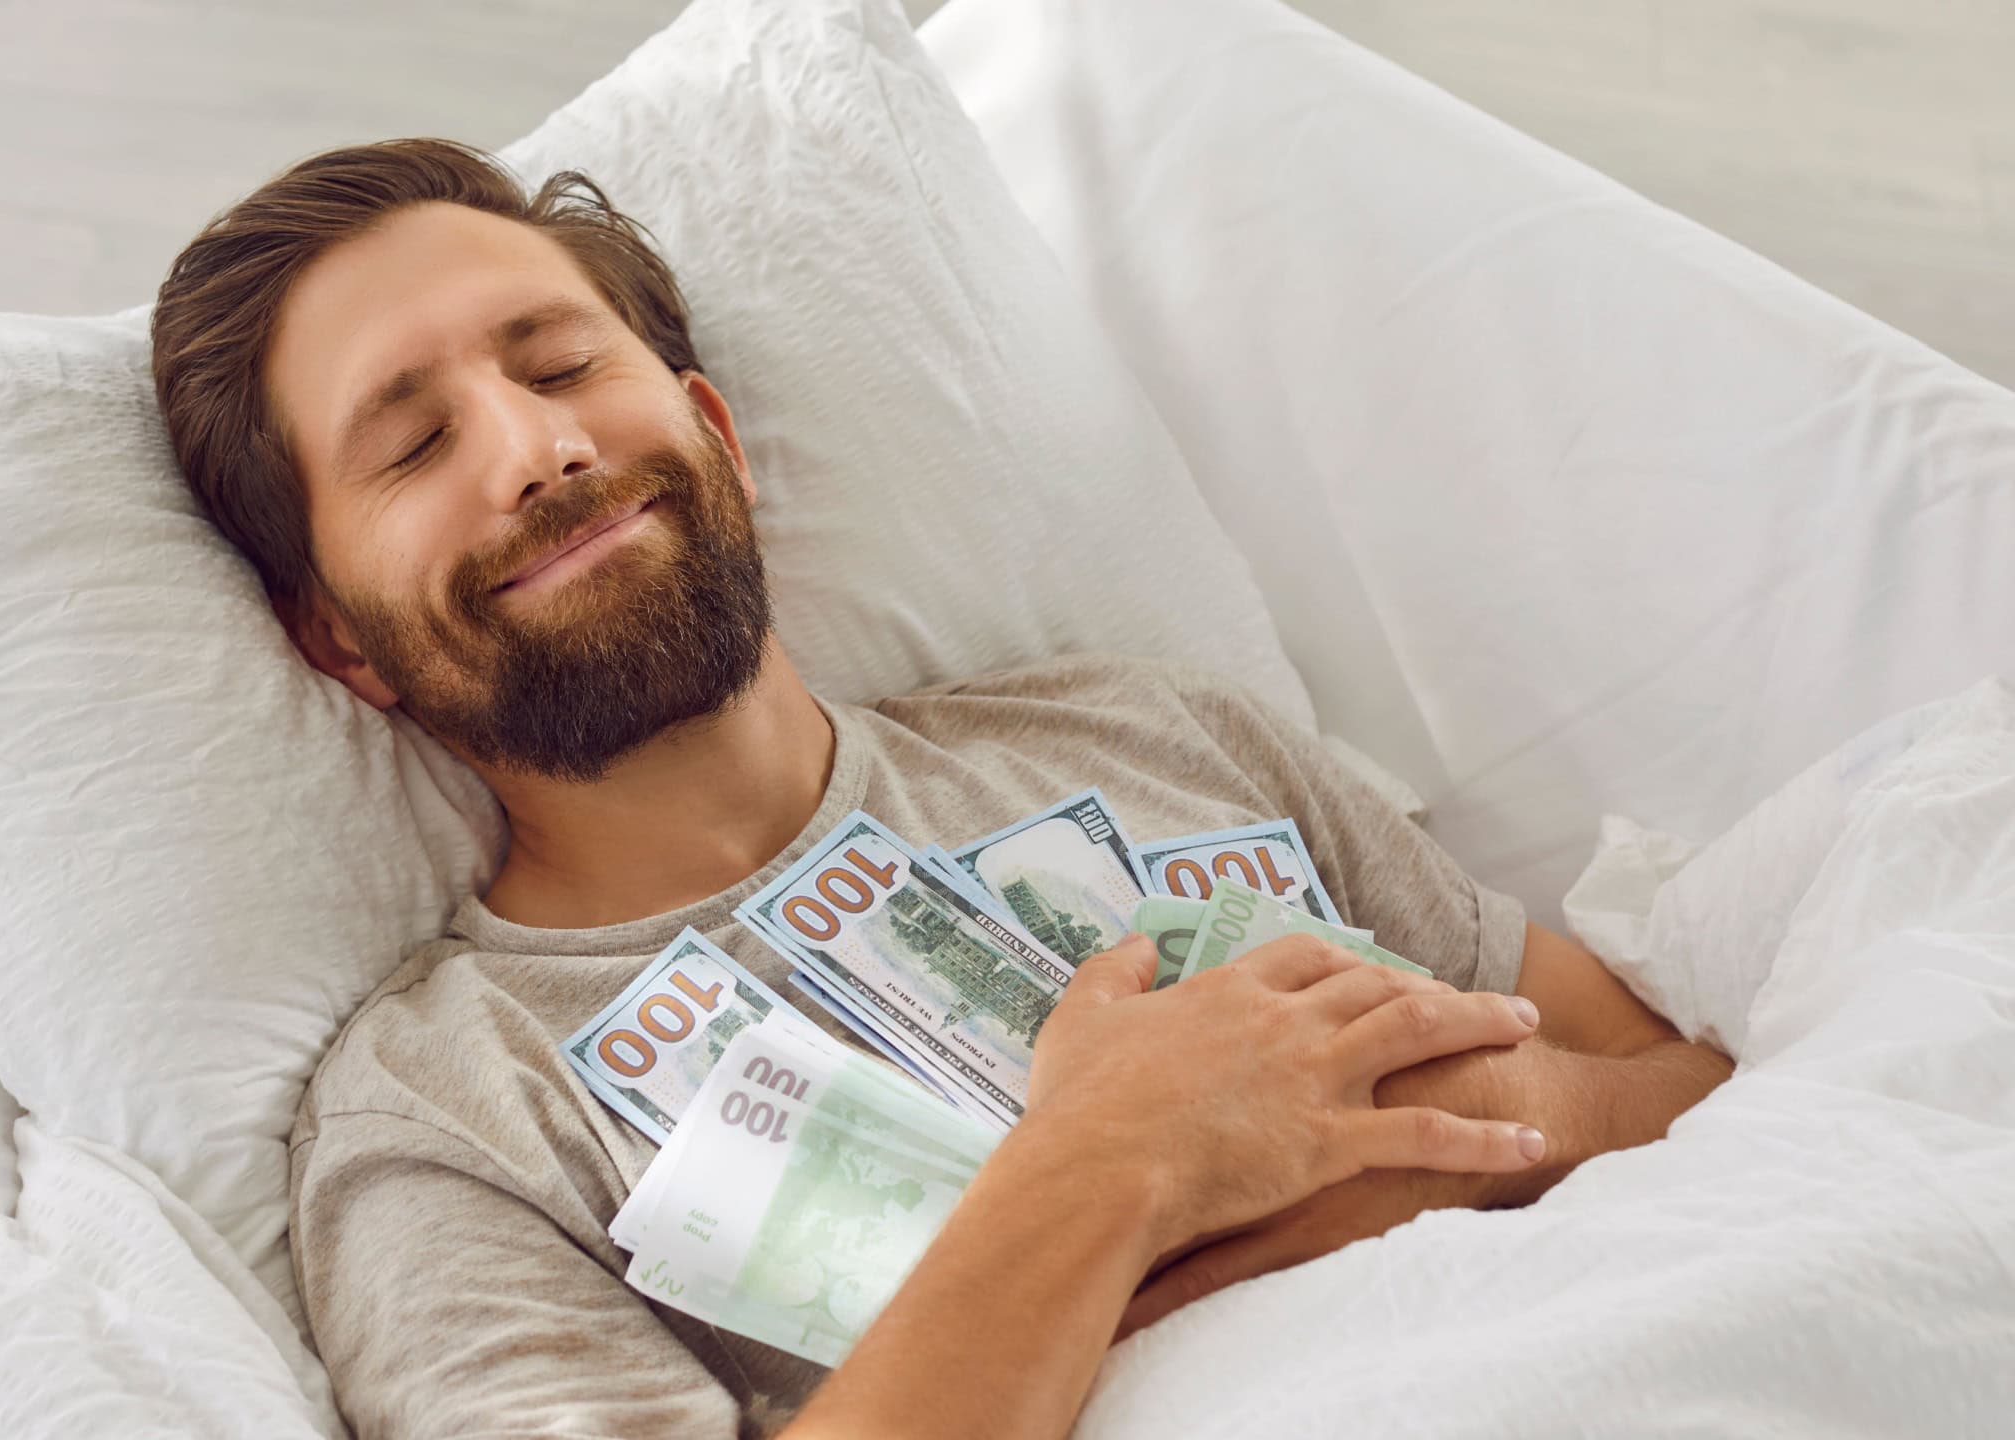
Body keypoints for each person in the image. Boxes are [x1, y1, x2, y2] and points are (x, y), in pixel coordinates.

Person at [149, 138, 1733, 1440]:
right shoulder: (450, 1119)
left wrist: (1463, 1123)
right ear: (341, 641)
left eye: (559, 361)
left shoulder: (1153, 736)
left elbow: (1695, 1097)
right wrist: (1122, 1164)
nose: (534, 445)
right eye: (414, 445)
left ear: (714, 434)